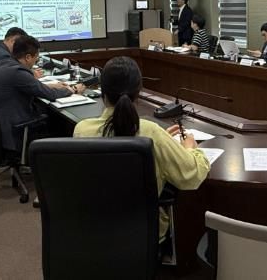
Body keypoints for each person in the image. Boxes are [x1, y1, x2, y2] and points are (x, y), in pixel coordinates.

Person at [73, 56, 209, 241]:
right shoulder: (151, 132)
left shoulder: (81, 129)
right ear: (138, 93)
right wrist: (190, 148)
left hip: (96, 228)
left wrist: (162, 139)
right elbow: (191, 176)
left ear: (102, 92)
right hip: (143, 233)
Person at [0, 35, 84, 153]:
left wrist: (52, 85)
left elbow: (29, 86)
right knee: (56, 118)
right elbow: (50, 95)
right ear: (28, 57)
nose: (35, 61)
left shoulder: (5, 63)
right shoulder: (17, 72)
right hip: (13, 124)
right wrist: (73, 89)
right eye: (36, 58)